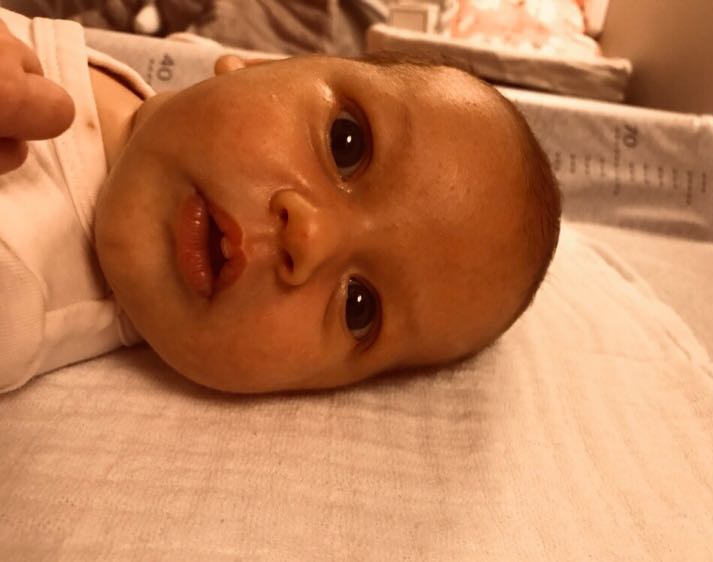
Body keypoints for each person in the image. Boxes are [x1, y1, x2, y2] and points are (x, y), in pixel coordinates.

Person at [0, 7, 560, 394]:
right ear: (262, 65)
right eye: (347, 144)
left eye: (358, 307)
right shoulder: (146, 91)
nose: (312, 238)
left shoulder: (16, 284)